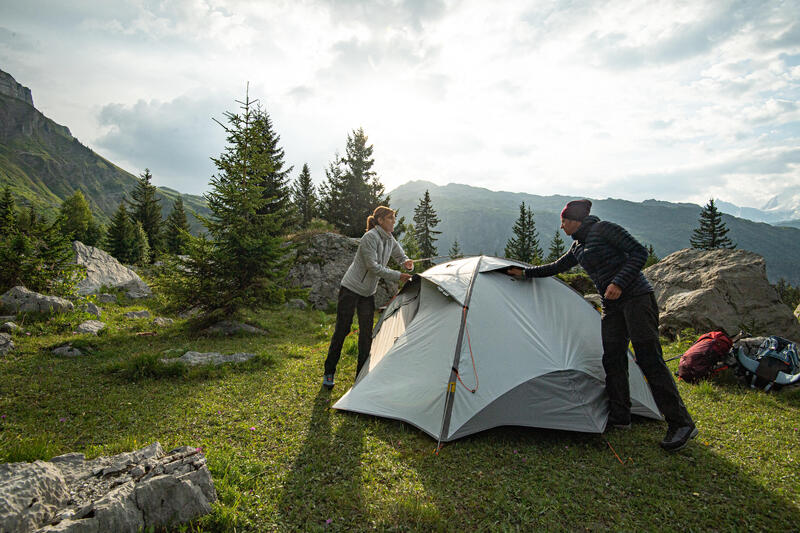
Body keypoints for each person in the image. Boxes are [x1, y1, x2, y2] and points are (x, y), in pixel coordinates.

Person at [506, 199, 697, 452]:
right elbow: (555, 267)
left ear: (576, 220)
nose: (561, 227)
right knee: (613, 357)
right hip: (612, 305)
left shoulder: (604, 229)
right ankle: (620, 415)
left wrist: (618, 282)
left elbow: (639, 253)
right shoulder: (577, 247)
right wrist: (523, 273)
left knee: (649, 358)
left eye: (564, 221)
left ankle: (681, 423)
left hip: (636, 297)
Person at [323, 206, 413, 389]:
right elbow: (373, 267)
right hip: (351, 289)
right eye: (390, 219)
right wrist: (399, 275)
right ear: (380, 220)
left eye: (394, 219)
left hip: (367, 293)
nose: (393, 222)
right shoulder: (369, 238)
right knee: (342, 329)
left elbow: (400, 255)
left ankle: (361, 377)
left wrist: (407, 263)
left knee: (366, 335)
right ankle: (329, 372)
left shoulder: (389, 239)